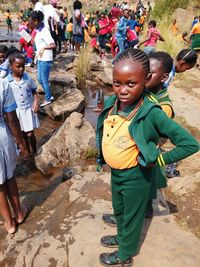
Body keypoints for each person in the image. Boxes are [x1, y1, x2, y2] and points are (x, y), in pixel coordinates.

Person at [96, 48, 199, 266]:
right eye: (117, 83)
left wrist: (159, 160)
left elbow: (190, 144)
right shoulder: (112, 104)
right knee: (120, 209)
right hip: (117, 173)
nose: (122, 90)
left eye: (131, 84)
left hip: (136, 176)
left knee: (133, 216)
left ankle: (125, 254)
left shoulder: (152, 112)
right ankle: (122, 238)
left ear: (146, 80)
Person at [0, 77, 26, 234]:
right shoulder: (2, 82)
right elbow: (11, 118)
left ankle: (9, 223)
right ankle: (19, 213)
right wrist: (20, 140)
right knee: (9, 176)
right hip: (2, 135)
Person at [5, 53, 40, 155]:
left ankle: (34, 151)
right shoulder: (7, 81)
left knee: (30, 134)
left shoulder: (27, 78)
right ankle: (27, 152)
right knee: (22, 134)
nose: (21, 69)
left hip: (28, 110)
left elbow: (33, 91)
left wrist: (36, 102)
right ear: (11, 66)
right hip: (17, 112)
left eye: (23, 66)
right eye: (18, 66)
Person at [29, 10, 56, 107]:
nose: (30, 24)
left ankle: (48, 98)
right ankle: (49, 95)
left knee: (43, 79)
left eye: (31, 22)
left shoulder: (44, 31)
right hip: (41, 58)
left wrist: (44, 47)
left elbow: (53, 45)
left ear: (36, 21)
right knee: (39, 78)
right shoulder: (38, 30)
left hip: (46, 59)